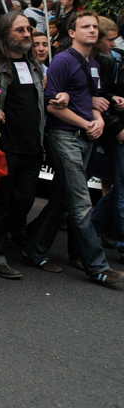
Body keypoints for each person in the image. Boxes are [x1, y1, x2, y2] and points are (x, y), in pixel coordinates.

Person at [23, 11, 123, 285]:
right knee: (81, 204)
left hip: (85, 137)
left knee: (63, 200)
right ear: (71, 32)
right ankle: (98, 268)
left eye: (94, 26)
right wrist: (86, 122)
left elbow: (92, 100)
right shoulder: (63, 61)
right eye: (85, 27)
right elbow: (51, 104)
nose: (92, 30)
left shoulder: (93, 63)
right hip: (64, 136)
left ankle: (33, 246)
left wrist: (99, 119)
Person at [0, 13, 45, 276]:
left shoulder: (34, 65)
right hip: (5, 146)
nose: (26, 34)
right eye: (20, 29)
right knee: (0, 201)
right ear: (6, 33)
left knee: (24, 200)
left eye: (29, 29)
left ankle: (3, 238)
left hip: (32, 146)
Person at [93, 17, 124, 260]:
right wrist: (116, 128)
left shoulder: (112, 57)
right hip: (114, 129)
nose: (113, 44)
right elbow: (99, 95)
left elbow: (110, 92)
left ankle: (93, 226)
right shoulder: (105, 59)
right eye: (110, 39)